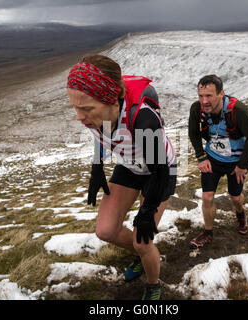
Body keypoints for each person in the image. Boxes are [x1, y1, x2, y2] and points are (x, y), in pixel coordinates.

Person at [66, 55, 176, 300]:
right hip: (130, 165)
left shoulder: (142, 119)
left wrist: (147, 211)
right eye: (75, 107)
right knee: (105, 231)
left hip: (158, 171)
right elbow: (102, 133)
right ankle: (143, 256)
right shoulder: (101, 114)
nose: (79, 117)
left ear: (113, 101)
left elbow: (160, 170)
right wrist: (97, 167)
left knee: (142, 241)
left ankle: (153, 284)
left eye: (86, 109)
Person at [188, 75, 248, 249]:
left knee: (235, 197)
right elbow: (193, 132)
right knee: (207, 196)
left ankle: (240, 214)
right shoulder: (197, 109)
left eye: (209, 96)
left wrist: (242, 166)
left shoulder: (238, 110)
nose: (204, 101)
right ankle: (207, 233)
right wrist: (201, 157)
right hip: (213, 158)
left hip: (236, 161)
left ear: (221, 94)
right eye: (201, 95)